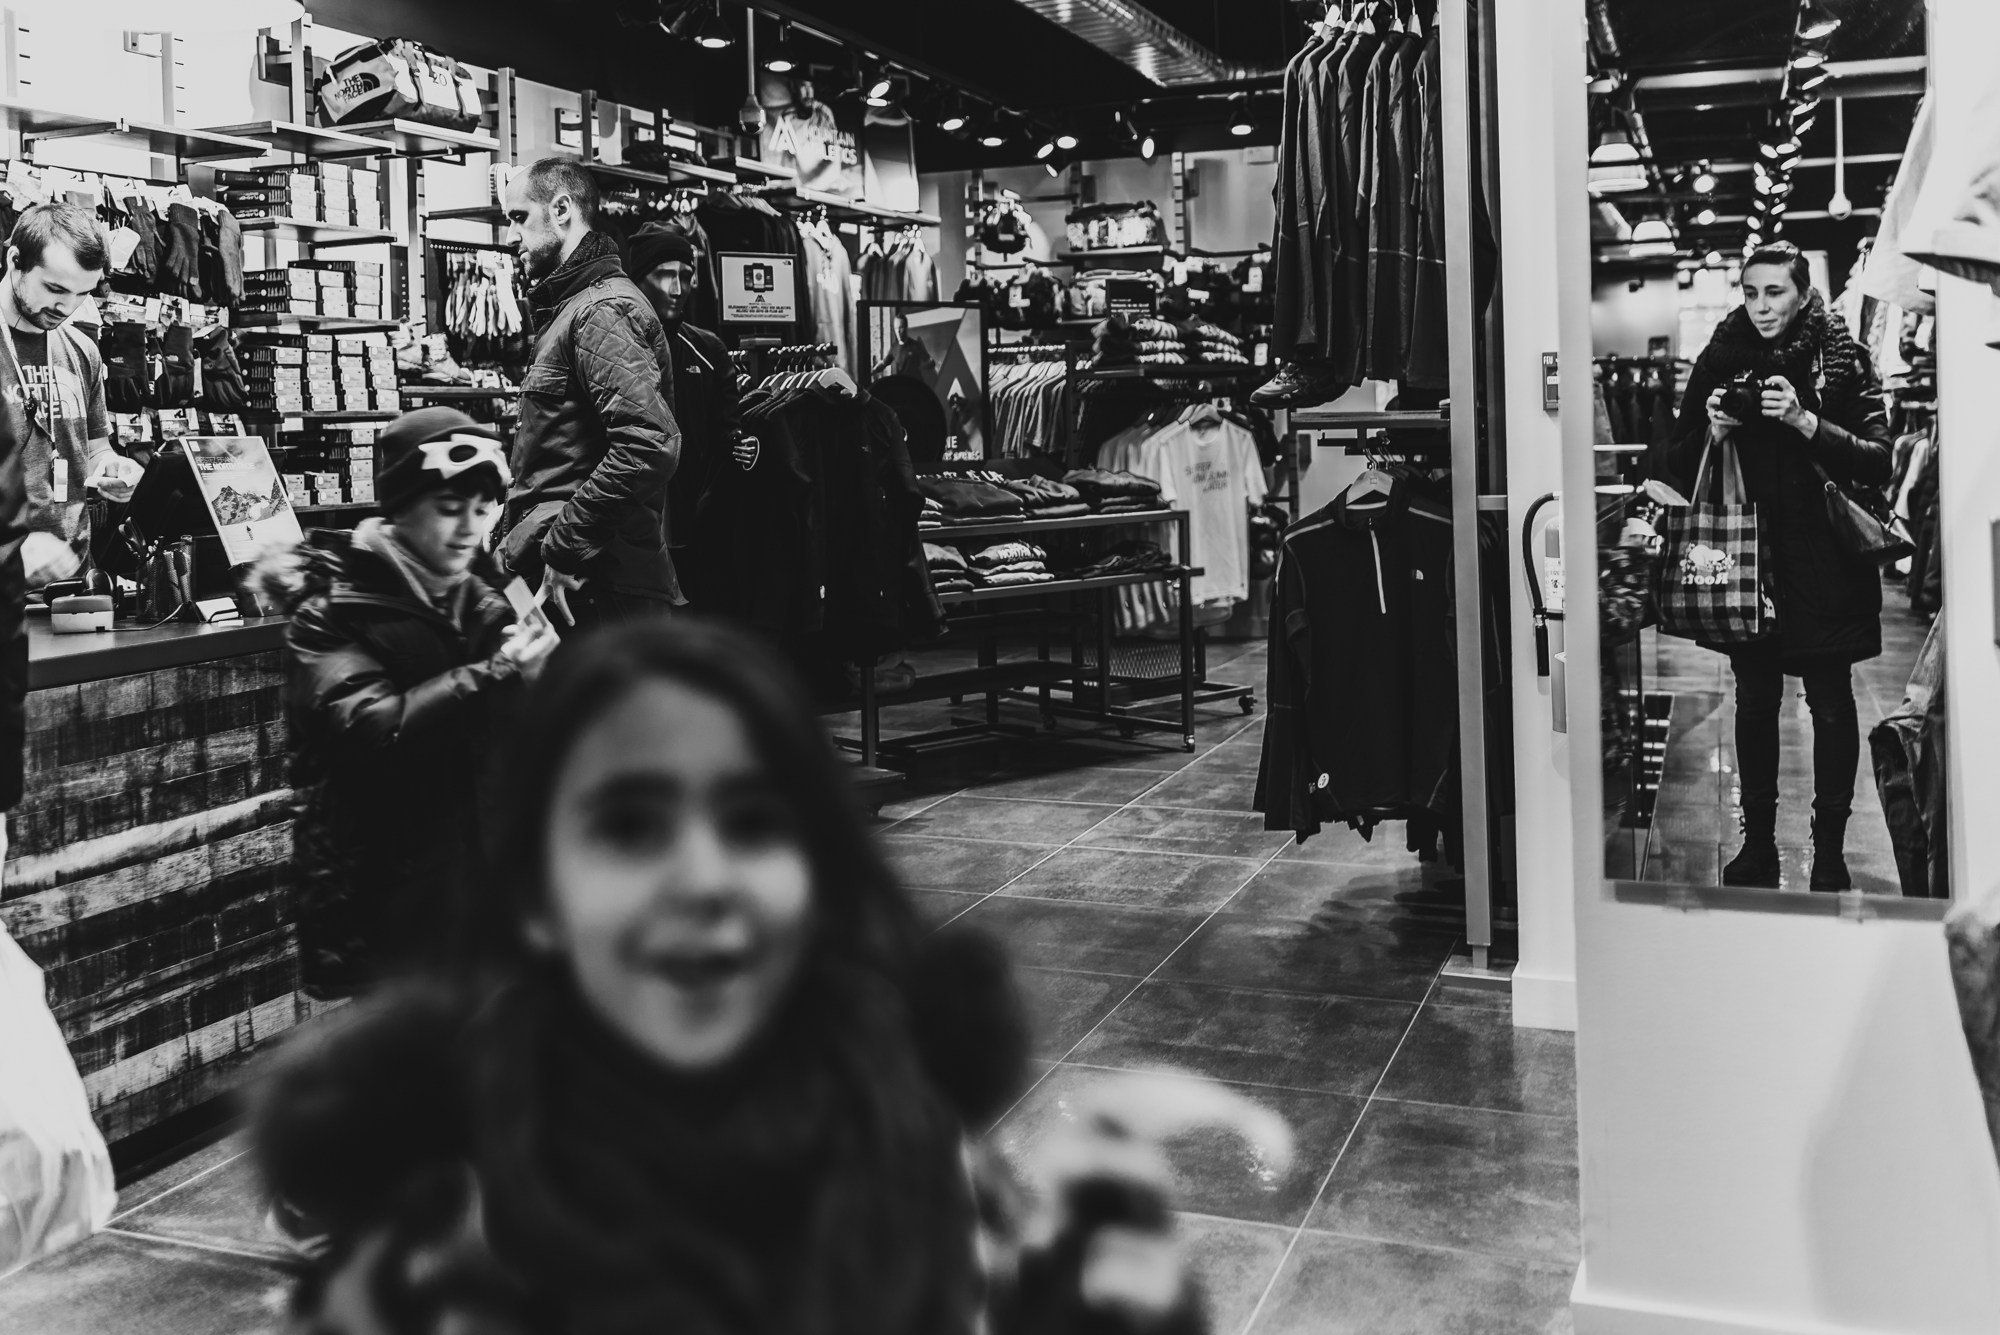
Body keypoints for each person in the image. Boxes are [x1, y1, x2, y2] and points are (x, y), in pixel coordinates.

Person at [251, 618, 1222, 1335]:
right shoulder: (424, 1268)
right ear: (541, 897)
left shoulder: (953, 1192)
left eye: (753, 822)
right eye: (629, 827)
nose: (702, 882)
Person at [256, 408, 558, 998]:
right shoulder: (330, 610)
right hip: (391, 904)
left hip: (494, 897)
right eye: (449, 509)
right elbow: (373, 729)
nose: (469, 528)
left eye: (483, 508)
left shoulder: (499, 588)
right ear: (400, 506)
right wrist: (502, 673)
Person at [1666, 241, 1894, 891]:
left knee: (1828, 703)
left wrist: (1803, 419)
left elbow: (1878, 458)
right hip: (1747, 563)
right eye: (1751, 292)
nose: (1762, 307)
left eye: (1776, 292)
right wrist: (1709, 433)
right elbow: (1673, 462)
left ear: (1802, 292)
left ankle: (1829, 852)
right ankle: (1757, 845)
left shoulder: (1841, 357)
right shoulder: (1717, 360)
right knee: (1755, 701)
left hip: (1825, 564)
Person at [497, 155, 684, 630]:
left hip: (597, 584)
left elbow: (648, 445)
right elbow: (562, 456)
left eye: (519, 217)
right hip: (575, 578)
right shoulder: (572, 308)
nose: (509, 235)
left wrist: (565, 545)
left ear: (562, 209)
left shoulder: (601, 309)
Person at [0, 203, 143, 591]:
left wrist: (116, 469)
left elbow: (96, 448)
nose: (66, 307)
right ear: (15, 260)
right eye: (55, 288)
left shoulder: (81, 350)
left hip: (71, 584)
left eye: (82, 293)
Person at [627, 222, 757, 609]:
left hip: (691, 525)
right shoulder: (616, 345)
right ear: (639, 278)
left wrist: (743, 447)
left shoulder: (707, 349)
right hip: (630, 521)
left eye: (685, 275)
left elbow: (727, 432)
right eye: (664, 275)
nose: (677, 288)